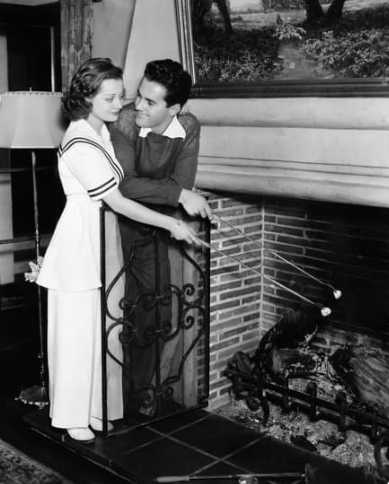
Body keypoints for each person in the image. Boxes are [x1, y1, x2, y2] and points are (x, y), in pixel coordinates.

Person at [36, 58, 201, 443]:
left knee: (100, 333)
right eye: (109, 98)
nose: (120, 104)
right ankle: (70, 415)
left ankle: (94, 408)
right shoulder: (78, 140)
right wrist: (173, 223)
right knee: (76, 335)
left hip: (101, 236)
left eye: (121, 95)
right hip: (81, 240)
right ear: (87, 97)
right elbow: (119, 199)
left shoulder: (102, 132)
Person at [109, 59, 212, 418]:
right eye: (139, 96)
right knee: (116, 313)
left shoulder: (189, 126)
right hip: (114, 227)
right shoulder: (123, 119)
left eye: (150, 103)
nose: (137, 105)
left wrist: (174, 194)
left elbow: (180, 182)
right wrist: (177, 196)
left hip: (155, 227)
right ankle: (115, 397)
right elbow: (122, 184)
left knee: (157, 313)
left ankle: (141, 389)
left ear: (176, 108)